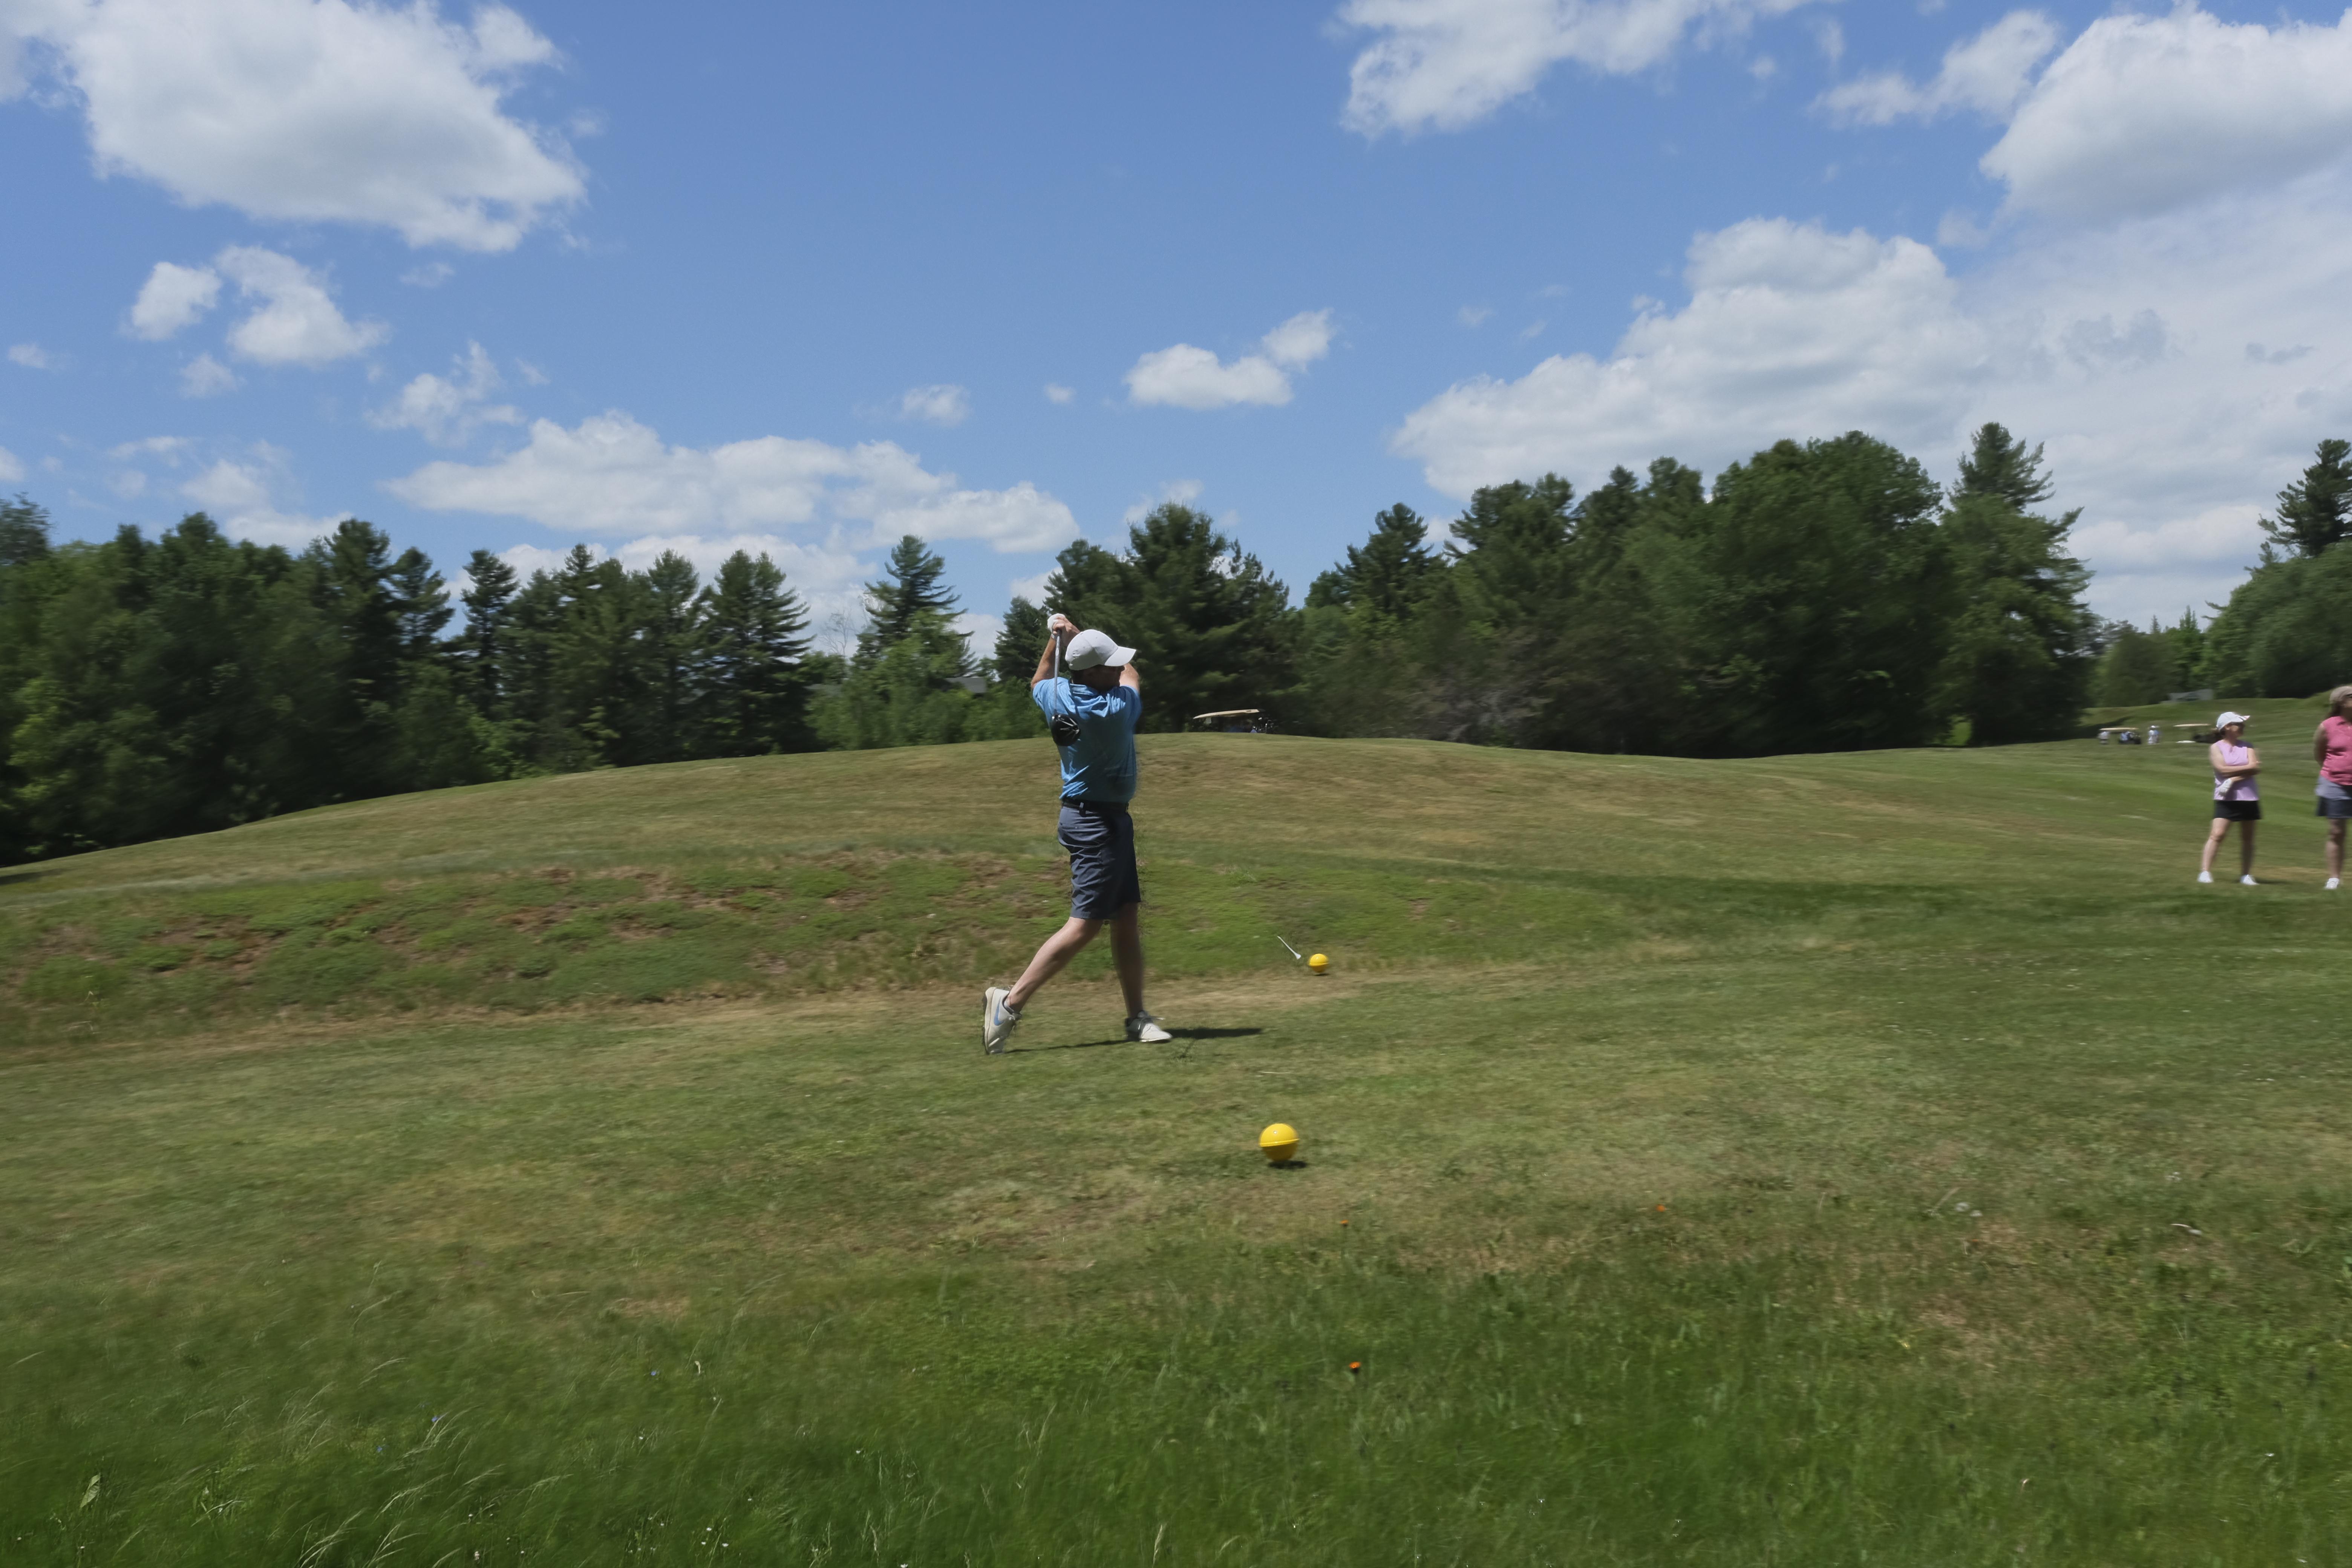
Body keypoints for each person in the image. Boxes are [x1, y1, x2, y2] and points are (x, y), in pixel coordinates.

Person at [981, 614, 1173, 1053]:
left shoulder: (1060, 695)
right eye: (1110, 663)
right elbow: (1134, 676)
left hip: (1095, 818)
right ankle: (1008, 1004)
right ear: (1092, 672)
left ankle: (1137, 1016)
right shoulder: (1113, 709)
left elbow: (1038, 680)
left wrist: (1059, 639)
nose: (1118, 667)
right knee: (1086, 924)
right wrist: (1073, 631)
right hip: (1097, 823)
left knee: (1126, 917)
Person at [2199, 711, 2260, 885]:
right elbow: (2222, 770)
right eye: (2239, 724)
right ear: (2227, 727)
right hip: (2226, 797)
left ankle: (2246, 875)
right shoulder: (2216, 748)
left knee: (2248, 838)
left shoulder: (2248, 746)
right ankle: (2205, 872)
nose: (2243, 727)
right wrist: (2247, 769)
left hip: (2249, 796)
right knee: (2217, 834)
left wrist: (2233, 779)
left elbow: (2256, 768)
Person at [2312, 685, 2352, 891]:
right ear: (2341, 702)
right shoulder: (2327, 726)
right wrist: (2336, 770)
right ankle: (2334, 878)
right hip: (2335, 783)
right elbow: (2320, 754)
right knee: (2336, 831)